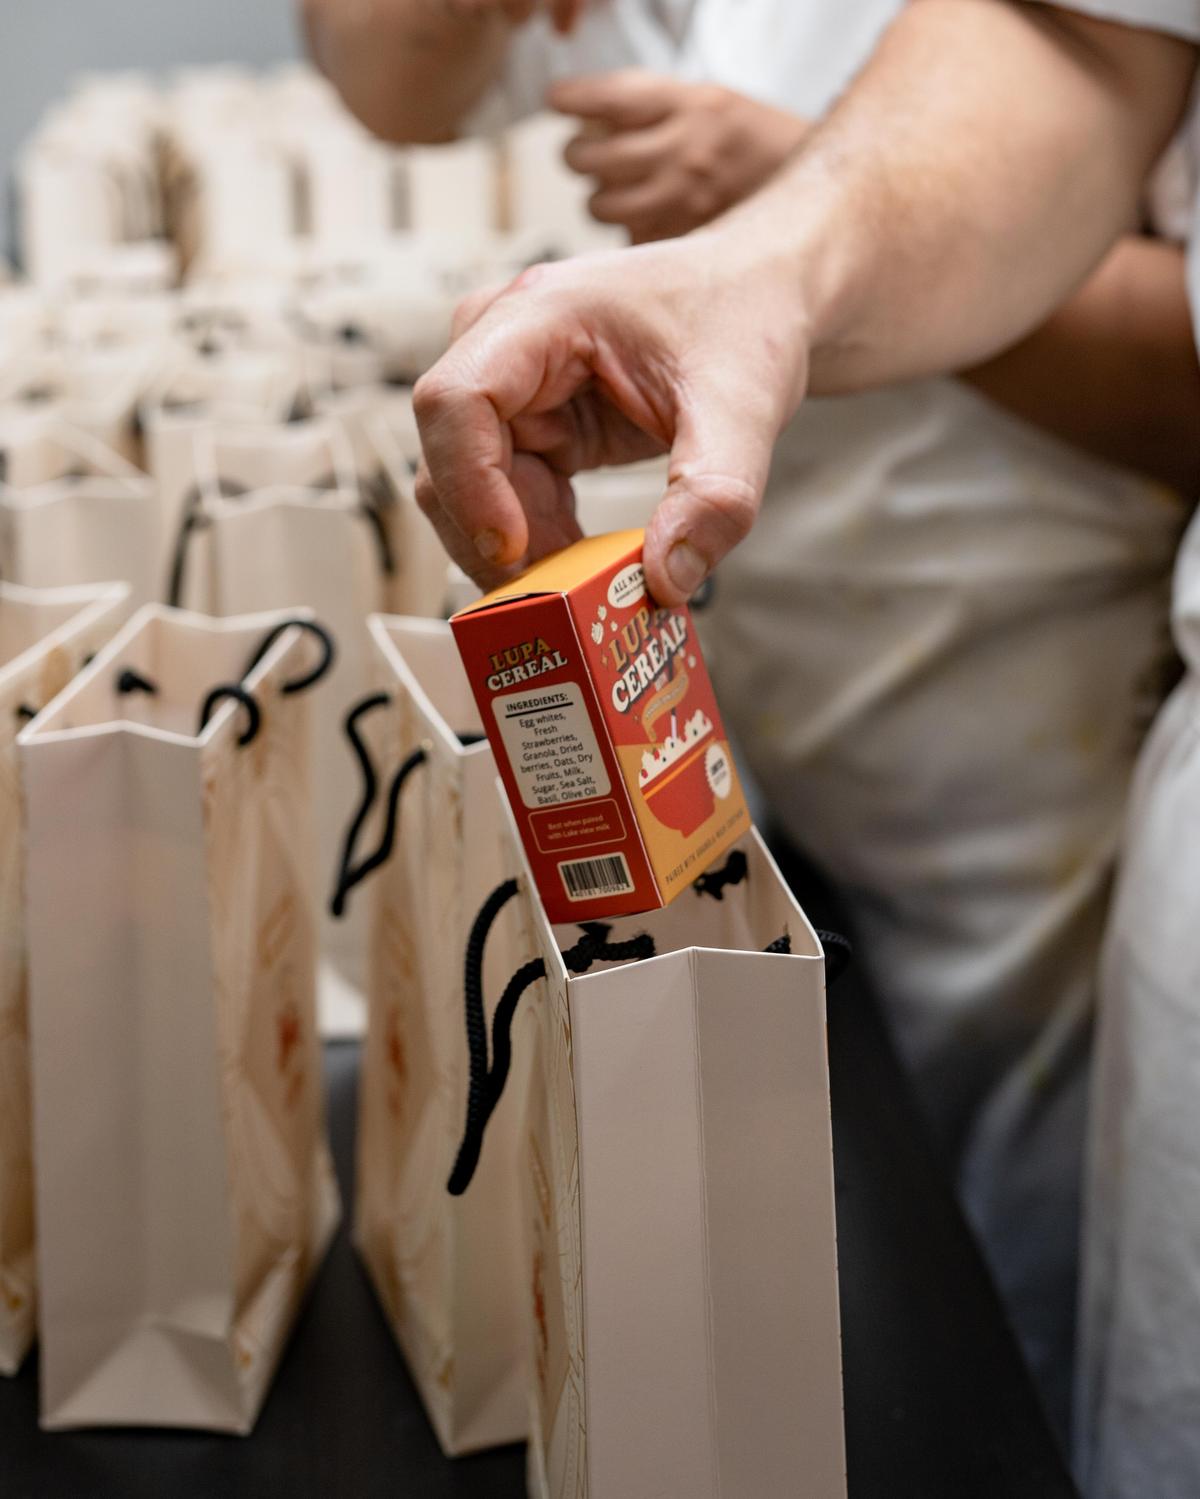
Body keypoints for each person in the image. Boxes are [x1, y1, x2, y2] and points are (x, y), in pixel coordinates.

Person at [305, 0, 1200, 1456]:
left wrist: (783, 206)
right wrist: (767, 269)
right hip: (750, 679)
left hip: (1013, 704)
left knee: (1005, 1294)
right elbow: (1087, 49)